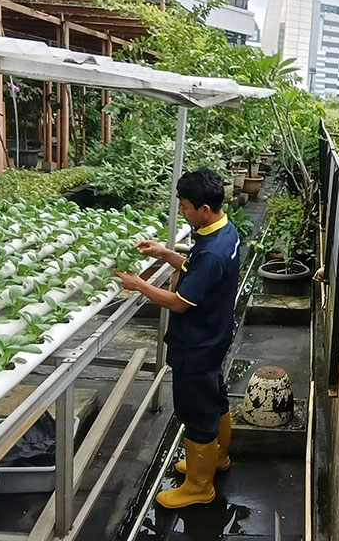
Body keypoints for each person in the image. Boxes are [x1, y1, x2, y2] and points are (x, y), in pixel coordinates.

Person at [115, 168, 240, 508]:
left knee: (196, 411)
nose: (182, 212)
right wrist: (165, 254)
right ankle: (217, 458)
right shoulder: (225, 233)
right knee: (215, 399)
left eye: (185, 207)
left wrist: (139, 285)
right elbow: (198, 269)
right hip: (215, 337)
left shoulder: (212, 251)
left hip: (196, 345)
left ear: (203, 208)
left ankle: (200, 487)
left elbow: (180, 303)